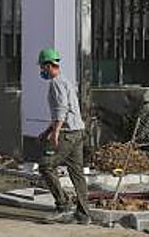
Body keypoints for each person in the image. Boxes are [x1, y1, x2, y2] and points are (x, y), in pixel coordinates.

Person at [36, 47, 91, 224]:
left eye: (42, 67)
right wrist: (47, 131)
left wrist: (56, 132)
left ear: (48, 66)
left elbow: (61, 109)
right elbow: (66, 111)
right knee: (77, 173)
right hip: (77, 132)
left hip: (67, 134)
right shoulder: (65, 81)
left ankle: (63, 206)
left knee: (46, 166)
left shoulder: (56, 82)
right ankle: (83, 215)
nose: (41, 70)